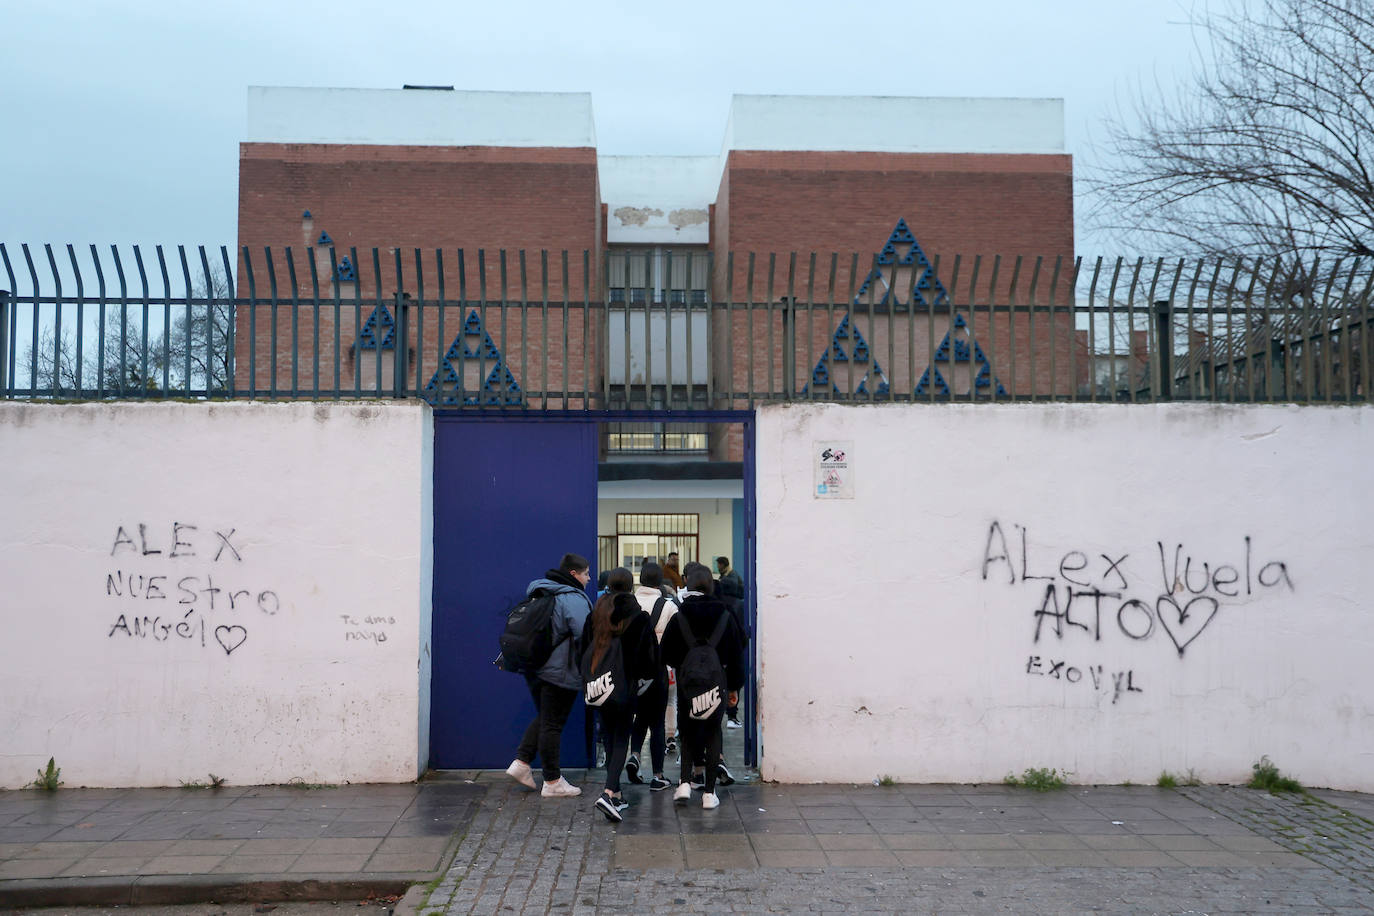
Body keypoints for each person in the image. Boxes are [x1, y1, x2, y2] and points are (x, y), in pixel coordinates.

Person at [659, 563, 746, 810]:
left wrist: (684, 666)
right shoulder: (726, 615)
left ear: (688, 584)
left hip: (688, 684)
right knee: (712, 732)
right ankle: (709, 793)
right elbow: (738, 653)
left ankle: (684, 782)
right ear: (711, 585)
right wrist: (733, 687)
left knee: (687, 730)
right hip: (717, 684)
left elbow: (665, 653)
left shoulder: (679, 616)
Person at [505, 553, 593, 798]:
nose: (589, 578)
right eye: (586, 573)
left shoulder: (540, 591)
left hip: (534, 666)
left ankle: (522, 763)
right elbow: (585, 634)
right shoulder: (572, 598)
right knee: (553, 724)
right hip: (559, 671)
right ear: (574, 574)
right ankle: (552, 781)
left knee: (546, 717)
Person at [581, 584, 658, 822]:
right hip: (626, 685)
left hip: (599, 685)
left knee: (608, 737)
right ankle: (608, 791)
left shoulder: (596, 613)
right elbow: (648, 656)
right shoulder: (638, 616)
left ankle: (616, 794)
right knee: (621, 739)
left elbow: (582, 648)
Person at [626, 561, 678, 791]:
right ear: (660, 582)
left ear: (640, 580)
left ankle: (635, 754)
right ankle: (658, 775)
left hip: (631, 671)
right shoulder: (669, 607)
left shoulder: (629, 603)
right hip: (660, 671)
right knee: (656, 721)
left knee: (639, 717)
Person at [714, 556, 748, 729]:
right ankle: (732, 716)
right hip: (733, 655)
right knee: (733, 685)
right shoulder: (739, 604)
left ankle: (717, 715)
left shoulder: (716, 605)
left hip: (715, 656)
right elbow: (742, 635)